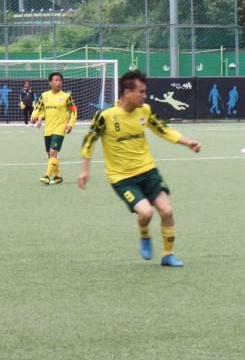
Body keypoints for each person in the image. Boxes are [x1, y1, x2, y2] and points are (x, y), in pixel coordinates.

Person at [78, 70, 201, 268]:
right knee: (146, 213)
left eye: (145, 91)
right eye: (141, 92)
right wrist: (85, 170)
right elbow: (89, 142)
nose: (145, 96)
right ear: (127, 93)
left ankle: (168, 255)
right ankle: (144, 234)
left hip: (148, 171)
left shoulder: (145, 110)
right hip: (122, 178)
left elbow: (163, 130)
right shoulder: (105, 116)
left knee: (167, 211)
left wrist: (188, 142)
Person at [31, 72, 78, 185]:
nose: (58, 82)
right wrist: (34, 115)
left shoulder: (66, 97)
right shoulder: (44, 95)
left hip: (60, 129)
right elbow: (38, 107)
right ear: (50, 83)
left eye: (60, 80)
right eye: (56, 80)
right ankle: (58, 176)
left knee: (53, 153)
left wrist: (70, 124)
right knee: (50, 155)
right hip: (48, 129)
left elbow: (74, 111)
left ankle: (47, 176)